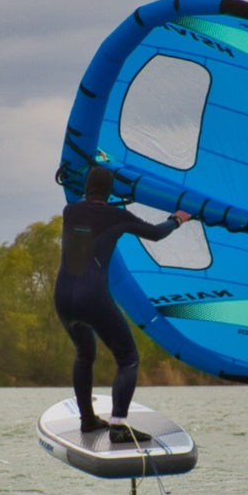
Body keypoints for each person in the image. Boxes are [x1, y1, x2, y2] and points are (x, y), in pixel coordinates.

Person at [54, 166, 191, 443]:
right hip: (92, 297)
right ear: (110, 190)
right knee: (128, 358)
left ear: (86, 188)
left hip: (63, 298)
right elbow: (155, 233)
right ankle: (117, 426)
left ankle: (88, 420)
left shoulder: (70, 213)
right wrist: (177, 219)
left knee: (84, 354)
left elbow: (87, 209)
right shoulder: (116, 216)